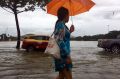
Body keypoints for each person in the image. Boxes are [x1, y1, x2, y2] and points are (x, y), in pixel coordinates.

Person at [53, 7, 75, 79]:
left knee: (61, 76)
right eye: (68, 14)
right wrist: (67, 55)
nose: (69, 16)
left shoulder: (62, 25)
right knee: (69, 77)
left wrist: (70, 31)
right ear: (65, 15)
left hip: (62, 55)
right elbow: (59, 40)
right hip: (63, 56)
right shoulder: (60, 25)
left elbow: (63, 38)